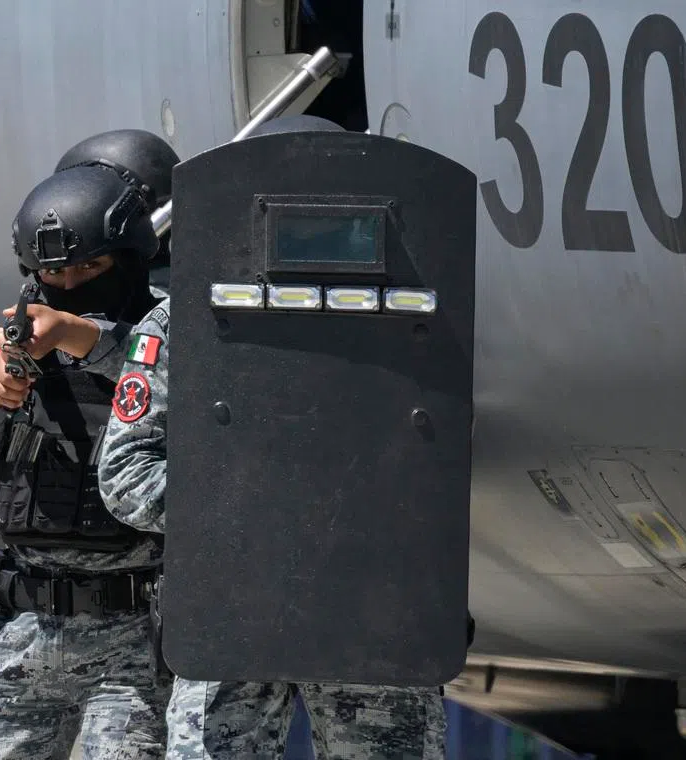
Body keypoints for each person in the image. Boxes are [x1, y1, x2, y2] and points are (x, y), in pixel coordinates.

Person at [94, 114, 448, 759]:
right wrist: (252, 512)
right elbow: (125, 475)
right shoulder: (180, 324)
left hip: (366, 609)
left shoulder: (421, 320)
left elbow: (442, 456)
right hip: (231, 612)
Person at [0, 129, 179, 759]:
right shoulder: (20, 340)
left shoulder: (165, 340)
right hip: (22, 631)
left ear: (124, 263)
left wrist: (74, 335)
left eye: (88, 269)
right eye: (53, 273)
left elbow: (147, 363)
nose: (69, 283)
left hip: (131, 636)